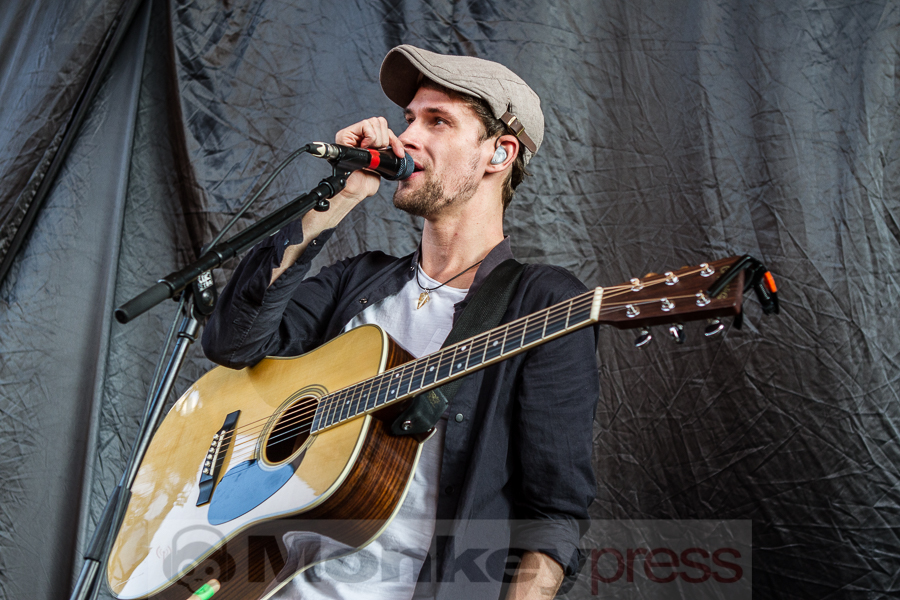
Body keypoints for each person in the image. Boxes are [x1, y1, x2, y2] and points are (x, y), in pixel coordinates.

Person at [201, 45, 600, 600]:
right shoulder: (356, 282)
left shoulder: (544, 304)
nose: (407, 136)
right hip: (268, 584)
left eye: (438, 121)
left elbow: (553, 516)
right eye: (410, 118)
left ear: (499, 153)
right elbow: (232, 342)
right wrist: (335, 201)